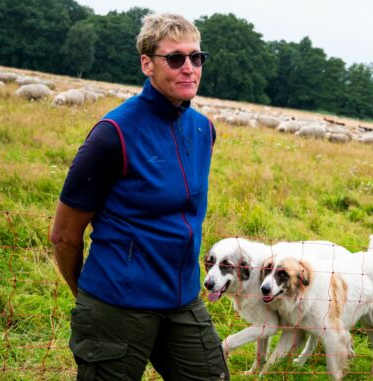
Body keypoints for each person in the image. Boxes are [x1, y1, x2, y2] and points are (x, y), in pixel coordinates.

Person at [50, 13, 229, 380]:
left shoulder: (202, 129)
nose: (189, 68)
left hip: (181, 302)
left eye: (196, 57)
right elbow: (64, 235)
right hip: (117, 302)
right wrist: (90, 297)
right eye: (175, 58)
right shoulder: (113, 134)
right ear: (147, 64)